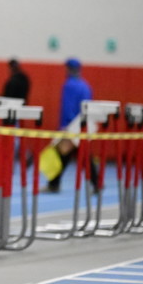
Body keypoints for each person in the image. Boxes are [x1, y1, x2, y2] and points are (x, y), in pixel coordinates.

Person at [45, 58, 93, 193]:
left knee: (65, 154)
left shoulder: (69, 85)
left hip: (72, 125)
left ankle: (53, 184)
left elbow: (67, 107)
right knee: (74, 155)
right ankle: (54, 183)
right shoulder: (85, 85)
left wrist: (64, 126)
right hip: (83, 124)